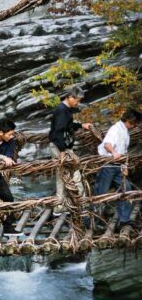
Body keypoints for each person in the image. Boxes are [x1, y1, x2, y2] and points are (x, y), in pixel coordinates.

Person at [94, 109, 142, 229]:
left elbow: (124, 152)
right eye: (134, 123)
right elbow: (107, 144)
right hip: (108, 165)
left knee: (126, 190)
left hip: (118, 166)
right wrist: (114, 152)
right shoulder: (115, 129)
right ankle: (93, 221)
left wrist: (124, 167)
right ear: (130, 121)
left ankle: (124, 219)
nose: (135, 126)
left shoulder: (125, 131)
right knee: (101, 193)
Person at [48, 86, 92, 215]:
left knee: (62, 177)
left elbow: (67, 126)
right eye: (77, 100)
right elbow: (58, 132)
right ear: (70, 97)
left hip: (61, 146)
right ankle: (80, 205)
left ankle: (60, 207)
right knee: (75, 174)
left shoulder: (66, 110)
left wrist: (81, 125)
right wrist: (62, 151)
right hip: (61, 147)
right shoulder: (62, 110)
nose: (77, 103)